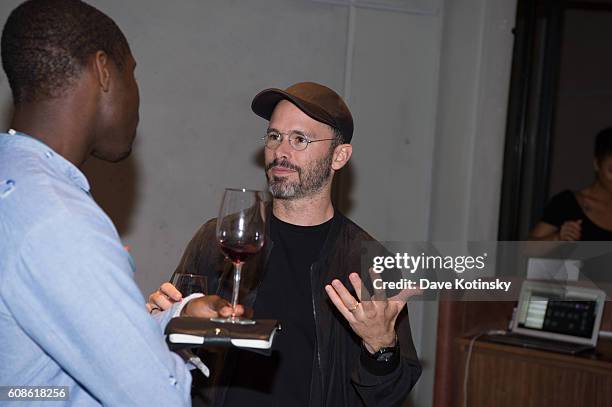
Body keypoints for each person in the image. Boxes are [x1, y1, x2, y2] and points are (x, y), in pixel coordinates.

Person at [0, 1, 240, 405]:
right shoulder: (61, 221)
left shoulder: (18, 185)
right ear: (103, 71)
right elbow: (155, 396)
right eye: (132, 73)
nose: (137, 98)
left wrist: (171, 320)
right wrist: (172, 355)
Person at [148, 82, 422, 406]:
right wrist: (161, 322)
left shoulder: (367, 262)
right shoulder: (219, 240)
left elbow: (389, 395)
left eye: (299, 139)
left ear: (339, 156)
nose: (281, 151)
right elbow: (169, 359)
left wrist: (383, 348)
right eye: (274, 136)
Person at [529, 127, 612, 241]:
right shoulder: (568, 203)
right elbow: (528, 248)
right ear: (597, 164)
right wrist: (558, 238)